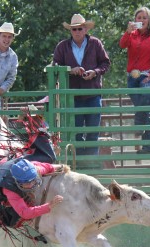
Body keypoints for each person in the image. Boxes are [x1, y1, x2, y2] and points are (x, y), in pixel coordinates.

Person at [53, 13, 110, 159]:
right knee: (76, 134)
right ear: (70, 31)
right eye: (74, 29)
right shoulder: (62, 46)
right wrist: (70, 71)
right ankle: (79, 165)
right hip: (73, 97)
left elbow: (105, 63)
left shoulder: (96, 43)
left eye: (80, 28)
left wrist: (95, 72)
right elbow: (55, 66)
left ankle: (90, 165)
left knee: (93, 133)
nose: (77, 32)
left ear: (85, 29)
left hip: (93, 94)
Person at [119, 7, 150, 154]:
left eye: (145, 17)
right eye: (139, 17)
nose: (142, 20)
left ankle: (139, 125)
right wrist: (127, 31)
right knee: (144, 110)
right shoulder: (131, 34)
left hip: (148, 76)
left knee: (146, 95)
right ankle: (149, 147)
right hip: (133, 77)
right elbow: (122, 45)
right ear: (135, 20)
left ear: (149, 20)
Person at [0, 158, 64, 228]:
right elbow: (25, 213)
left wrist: (61, 167)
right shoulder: (10, 190)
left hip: (14, 164)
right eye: (27, 183)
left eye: (33, 180)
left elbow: (48, 167)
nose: (31, 185)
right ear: (17, 182)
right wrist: (48, 206)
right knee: (10, 221)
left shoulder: (35, 170)